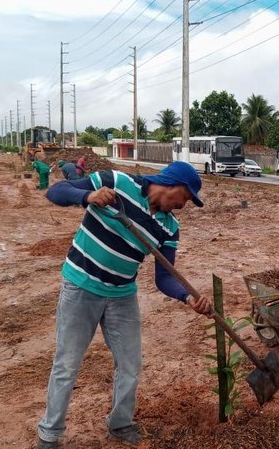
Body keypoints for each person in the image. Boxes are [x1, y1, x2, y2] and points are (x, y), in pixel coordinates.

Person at [36, 161, 213, 449]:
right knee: (67, 363)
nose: (184, 205)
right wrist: (87, 196)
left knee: (130, 363)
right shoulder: (116, 183)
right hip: (81, 286)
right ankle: (50, 432)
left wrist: (187, 296)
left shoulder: (170, 228)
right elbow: (56, 191)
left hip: (122, 295)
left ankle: (120, 423)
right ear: (175, 186)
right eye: (186, 198)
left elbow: (164, 278)